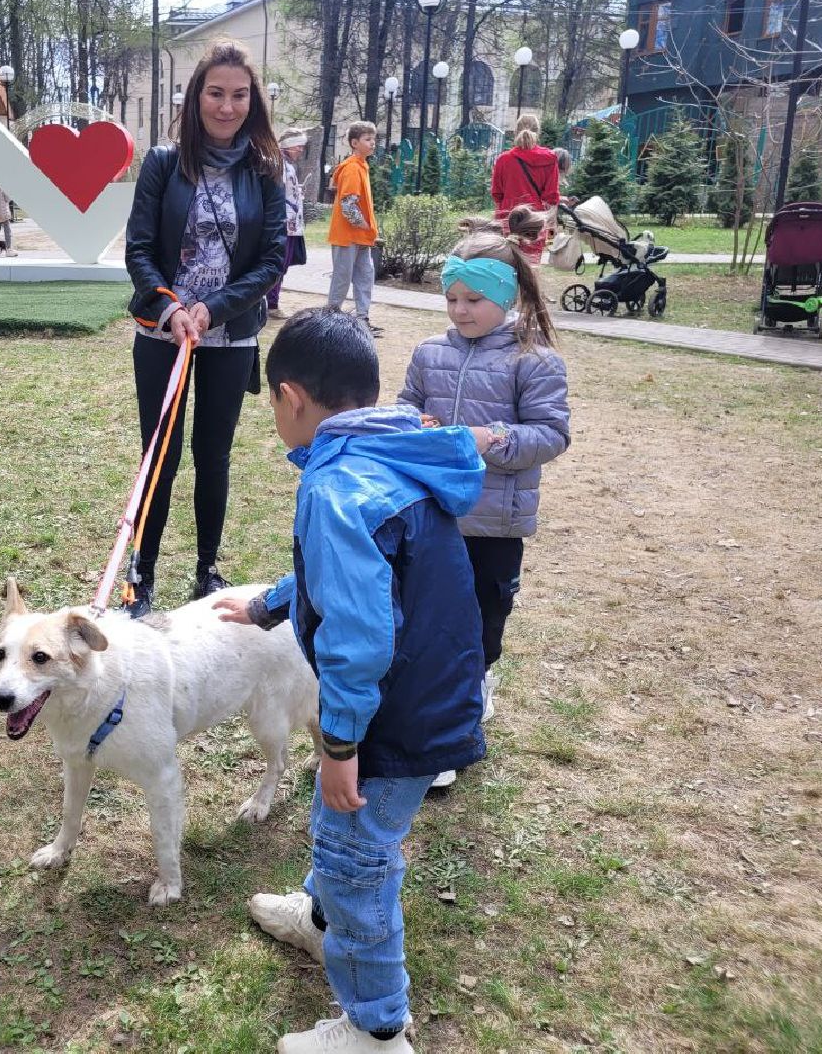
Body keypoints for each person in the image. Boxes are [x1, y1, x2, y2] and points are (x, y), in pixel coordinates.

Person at [215, 308, 486, 1054]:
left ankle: (376, 1032)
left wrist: (339, 746)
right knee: (344, 837)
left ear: (291, 397)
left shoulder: (334, 490)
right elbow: (366, 577)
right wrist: (272, 602)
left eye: (270, 403)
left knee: (356, 855)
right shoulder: (395, 449)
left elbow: (361, 638)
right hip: (431, 692)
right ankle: (321, 919)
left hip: (393, 715)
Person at [398, 206, 571, 787]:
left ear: (507, 296)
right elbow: (405, 404)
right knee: (430, 620)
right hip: (435, 514)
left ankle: (467, 708)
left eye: (474, 300)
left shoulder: (534, 359)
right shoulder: (430, 353)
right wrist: (410, 423)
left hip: (495, 523)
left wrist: (489, 438)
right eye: (452, 299)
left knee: (481, 623)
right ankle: (436, 720)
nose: (460, 310)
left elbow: (551, 434)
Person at [122, 39, 286, 617]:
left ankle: (207, 568)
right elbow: (139, 249)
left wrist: (213, 308)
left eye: (239, 95)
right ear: (196, 97)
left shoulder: (267, 168)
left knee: (212, 455)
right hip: (163, 333)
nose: (227, 106)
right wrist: (170, 307)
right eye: (216, 93)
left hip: (229, 334)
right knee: (158, 456)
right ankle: (140, 575)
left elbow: (272, 259)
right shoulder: (164, 163)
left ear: (252, 100)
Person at [327, 122, 381, 335]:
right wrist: (365, 225)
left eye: (373, 139)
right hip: (347, 236)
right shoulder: (351, 168)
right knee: (342, 278)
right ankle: (330, 318)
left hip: (361, 237)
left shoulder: (362, 166)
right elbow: (348, 204)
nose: (372, 143)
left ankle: (362, 319)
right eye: (368, 140)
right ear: (354, 143)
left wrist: (367, 230)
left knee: (365, 277)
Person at [490, 113, 561, 260]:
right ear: (538, 132)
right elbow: (551, 197)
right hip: (534, 222)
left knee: (506, 266)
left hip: (507, 220)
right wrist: (552, 224)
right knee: (530, 269)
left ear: (516, 131)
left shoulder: (504, 159)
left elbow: (497, 194)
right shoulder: (549, 159)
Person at [267, 127, 309, 319]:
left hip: (289, 222)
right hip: (285, 223)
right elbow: (276, 193)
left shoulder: (284, 164)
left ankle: (271, 302)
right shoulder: (281, 164)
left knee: (282, 264)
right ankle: (271, 303)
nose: (300, 150)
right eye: (298, 146)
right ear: (289, 145)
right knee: (279, 264)